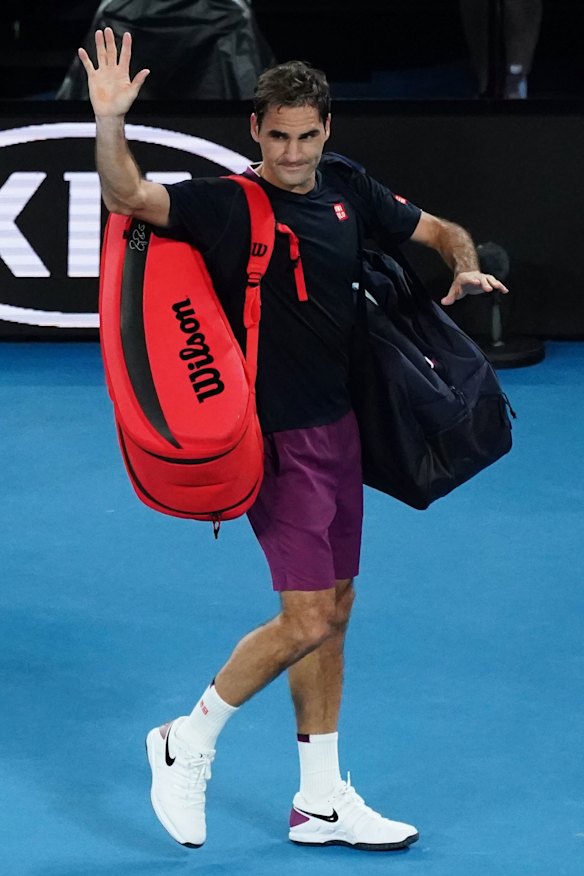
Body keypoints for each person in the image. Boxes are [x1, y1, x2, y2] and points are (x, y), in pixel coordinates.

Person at [79, 27, 508, 853]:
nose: (292, 152)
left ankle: (319, 801)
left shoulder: (347, 186)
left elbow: (438, 228)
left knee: (336, 610)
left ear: (327, 130)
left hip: (342, 432)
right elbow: (130, 197)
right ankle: (187, 738)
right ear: (255, 131)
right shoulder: (227, 204)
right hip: (275, 442)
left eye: (307, 135)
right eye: (277, 135)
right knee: (307, 616)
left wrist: (459, 261)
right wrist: (108, 121)